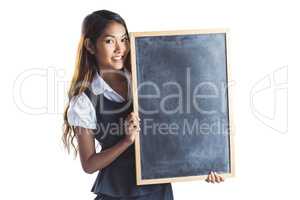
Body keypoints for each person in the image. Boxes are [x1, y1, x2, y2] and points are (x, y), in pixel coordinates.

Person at [62, 10, 224, 200]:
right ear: (90, 46)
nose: (119, 48)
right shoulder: (84, 100)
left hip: (158, 191)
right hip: (117, 194)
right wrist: (126, 141)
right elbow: (89, 164)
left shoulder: (151, 77)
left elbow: (180, 126)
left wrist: (206, 164)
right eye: (109, 41)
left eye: (123, 40)